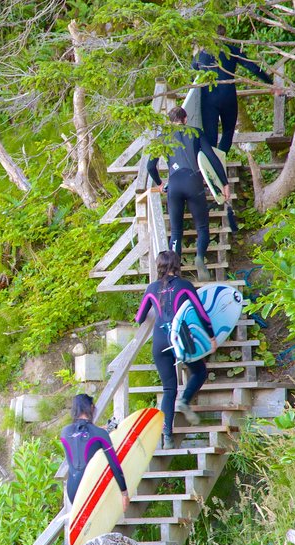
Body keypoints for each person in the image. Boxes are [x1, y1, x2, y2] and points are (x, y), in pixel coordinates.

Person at [134, 250, 217, 450]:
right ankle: (185, 400)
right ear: (177, 265)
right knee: (199, 371)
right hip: (181, 340)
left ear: (159, 266)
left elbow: (139, 318)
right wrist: (211, 337)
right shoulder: (185, 285)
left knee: (168, 389)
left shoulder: (151, 288)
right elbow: (202, 313)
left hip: (160, 342)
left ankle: (167, 436)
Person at [146, 106, 229, 281]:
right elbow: (211, 158)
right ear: (185, 119)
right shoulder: (196, 133)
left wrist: (160, 184)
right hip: (194, 183)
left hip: (174, 185)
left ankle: (173, 272)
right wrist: (224, 183)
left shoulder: (162, 138)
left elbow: (150, 166)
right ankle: (199, 257)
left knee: (176, 231)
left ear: (170, 122)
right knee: (202, 227)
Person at [192, 25, 276, 152]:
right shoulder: (232, 50)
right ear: (224, 36)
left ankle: (211, 163)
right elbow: (253, 68)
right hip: (228, 96)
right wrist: (271, 84)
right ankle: (221, 158)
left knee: (210, 136)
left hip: (208, 97)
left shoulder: (200, 56)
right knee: (228, 132)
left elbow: (191, 73)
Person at [59, 394, 130, 511]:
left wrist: (103, 429)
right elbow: (115, 465)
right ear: (91, 407)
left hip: (72, 492)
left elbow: (81, 437)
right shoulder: (100, 434)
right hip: (89, 489)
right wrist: (124, 493)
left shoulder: (65, 432)